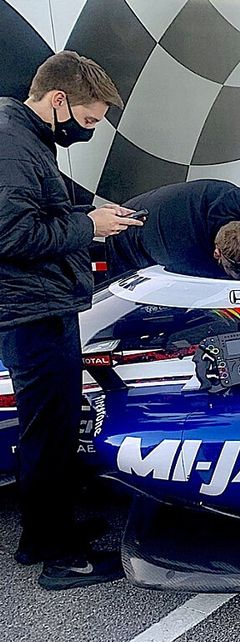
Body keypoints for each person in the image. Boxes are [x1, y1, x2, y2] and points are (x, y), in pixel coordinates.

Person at [0, 51, 141, 589]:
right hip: (30, 311)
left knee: (52, 428)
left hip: (38, 305)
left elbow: (36, 216)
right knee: (48, 431)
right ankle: (60, 559)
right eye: (86, 121)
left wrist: (88, 218)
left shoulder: (24, 137)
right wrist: (89, 227)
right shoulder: (13, 146)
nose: (87, 132)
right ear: (58, 100)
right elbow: (11, 237)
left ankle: (44, 536)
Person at [105, 179, 240, 282]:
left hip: (191, 203)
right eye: (237, 271)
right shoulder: (182, 255)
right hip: (130, 234)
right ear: (217, 253)